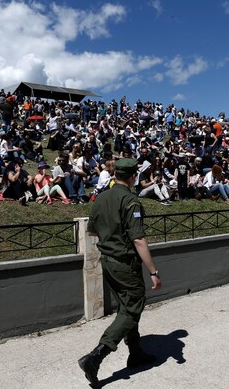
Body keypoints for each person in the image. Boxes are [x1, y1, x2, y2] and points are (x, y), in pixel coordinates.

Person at [78, 158, 162, 387]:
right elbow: (138, 238)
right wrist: (153, 271)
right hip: (125, 263)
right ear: (133, 176)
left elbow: (93, 231)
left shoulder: (102, 197)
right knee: (134, 305)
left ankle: (135, 352)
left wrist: (111, 237)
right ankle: (95, 357)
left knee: (126, 307)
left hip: (108, 261)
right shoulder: (130, 201)